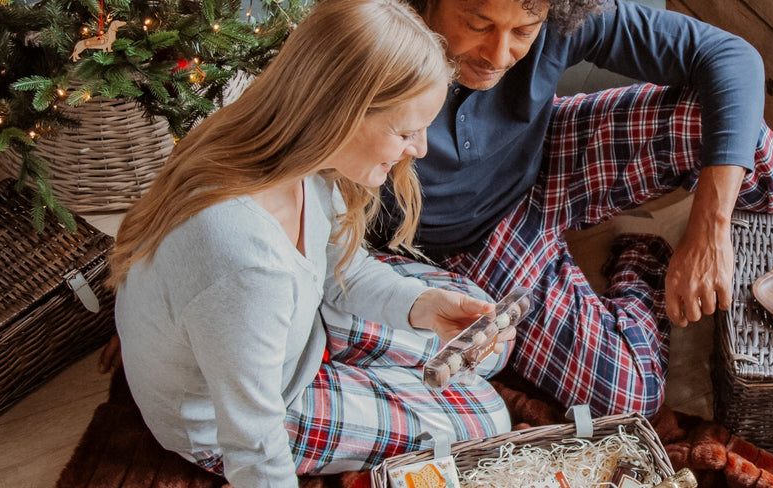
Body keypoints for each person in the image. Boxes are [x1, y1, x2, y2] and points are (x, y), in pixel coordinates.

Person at [108, 0, 513, 485]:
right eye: (407, 131)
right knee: (487, 417)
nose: (420, 149)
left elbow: (341, 269)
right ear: (340, 114)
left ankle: (375, 364)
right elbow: (253, 442)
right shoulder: (245, 265)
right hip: (243, 412)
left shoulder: (293, 155)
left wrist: (424, 306)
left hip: (285, 326)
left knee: (484, 341)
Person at [367, 0, 773, 418]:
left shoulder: (558, 12)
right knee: (632, 395)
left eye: (524, 32)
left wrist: (711, 226)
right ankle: (642, 258)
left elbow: (732, 57)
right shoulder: (367, 51)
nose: (497, 55)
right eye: (477, 24)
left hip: (546, 153)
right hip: (473, 239)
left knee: (729, 128)